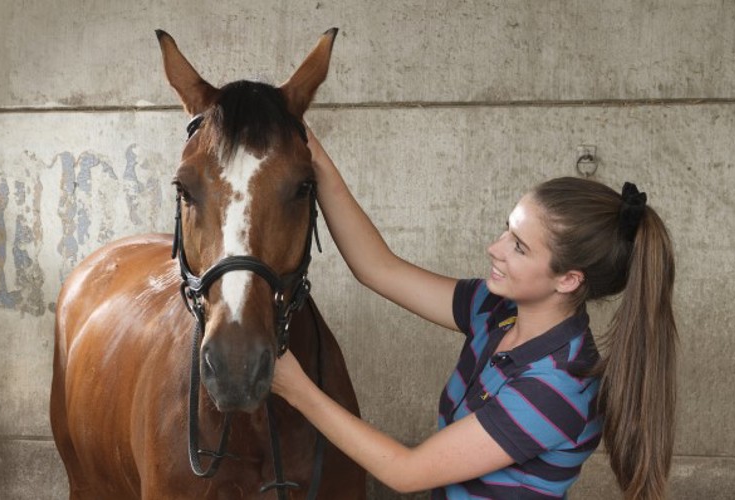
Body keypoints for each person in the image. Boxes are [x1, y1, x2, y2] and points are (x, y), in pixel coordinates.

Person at [271, 126, 677, 500]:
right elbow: (379, 269)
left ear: (568, 280)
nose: (495, 248)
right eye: (507, 230)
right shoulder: (497, 310)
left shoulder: (557, 385)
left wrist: (297, 389)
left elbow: (405, 472)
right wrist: (316, 156)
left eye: (519, 246)